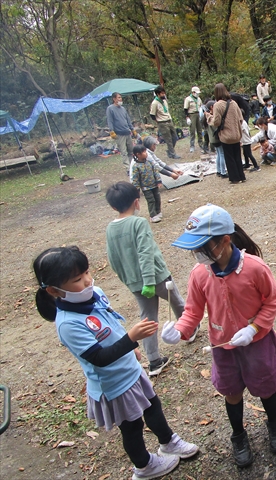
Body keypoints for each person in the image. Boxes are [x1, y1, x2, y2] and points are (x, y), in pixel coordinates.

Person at [33, 246, 199, 480]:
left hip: (130, 370)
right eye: (78, 279)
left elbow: (112, 325)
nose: (88, 281)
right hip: (114, 386)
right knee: (132, 427)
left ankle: (168, 442)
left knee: (153, 405)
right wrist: (131, 339)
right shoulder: (68, 324)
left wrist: (132, 351)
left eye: (87, 273)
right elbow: (98, 358)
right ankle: (144, 466)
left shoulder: (96, 293)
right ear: (54, 290)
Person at [162, 204, 276, 468]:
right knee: (231, 391)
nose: (197, 254)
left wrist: (254, 328)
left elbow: (272, 301)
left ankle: (275, 423)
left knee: (265, 385)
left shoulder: (254, 268)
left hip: (257, 342)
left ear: (225, 241)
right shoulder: (200, 274)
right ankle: (238, 435)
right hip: (222, 346)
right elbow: (193, 312)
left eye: (202, 247)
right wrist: (179, 331)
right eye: (194, 248)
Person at [105, 181, 195, 374]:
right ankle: (187, 331)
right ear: (137, 202)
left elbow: (113, 259)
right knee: (177, 302)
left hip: (136, 283)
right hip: (156, 277)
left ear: (113, 207)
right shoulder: (138, 223)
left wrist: (129, 280)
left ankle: (154, 360)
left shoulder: (110, 228)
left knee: (147, 319)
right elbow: (145, 252)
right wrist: (148, 280)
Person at [211, 83, 245, 184]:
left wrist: (210, 118)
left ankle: (234, 178)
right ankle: (241, 176)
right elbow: (240, 118)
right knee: (237, 156)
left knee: (229, 157)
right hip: (236, 134)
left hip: (226, 135)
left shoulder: (217, 105)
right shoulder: (233, 103)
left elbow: (216, 122)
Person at [130, 145, 163, 223]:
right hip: (146, 188)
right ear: (138, 154)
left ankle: (158, 212)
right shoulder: (136, 166)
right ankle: (153, 215)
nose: (146, 153)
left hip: (154, 185)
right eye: (144, 152)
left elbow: (155, 171)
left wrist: (158, 181)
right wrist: (136, 190)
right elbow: (135, 179)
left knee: (157, 198)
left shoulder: (150, 162)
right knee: (151, 200)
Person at [150, 86, 181, 160]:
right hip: (162, 122)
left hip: (169, 120)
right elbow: (152, 115)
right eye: (162, 93)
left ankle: (169, 151)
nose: (164, 95)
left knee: (175, 137)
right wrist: (158, 122)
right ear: (158, 94)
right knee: (168, 139)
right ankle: (173, 154)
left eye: (164, 93)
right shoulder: (155, 103)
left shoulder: (164, 101)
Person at [106, 92, 135, 166]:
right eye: (118, 97)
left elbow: (128, 120)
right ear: (114, 99)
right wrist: (111, 131)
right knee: (123, 152)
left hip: (127, 132)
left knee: (131, 151)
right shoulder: (110, 109)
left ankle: (132, 166)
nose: (120, 99)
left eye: (121, 97)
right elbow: (110, 121)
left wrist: (132, 129)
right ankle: (127, 168)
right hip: (119, 134)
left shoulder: (123, 108)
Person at [204, 100, 227, 178]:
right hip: (216, 138)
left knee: (218, 154)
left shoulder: (206, 117)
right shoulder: (211, 117)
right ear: (211, 107)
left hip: (212, 139)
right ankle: (223, 172)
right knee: (222, 154)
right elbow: (216, 127)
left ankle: (218, 170)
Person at [183, 86, 203, 154]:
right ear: (193, 92)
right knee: (192, 131)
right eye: (196, 93)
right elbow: (185, 109)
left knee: (199, 130)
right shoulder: (188, 99)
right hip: (191, 115)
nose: (197, 94)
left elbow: (201, 106)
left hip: (198, 114)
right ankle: (192, 146)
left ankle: (201, 144)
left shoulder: (199, 99)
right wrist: (187, 117)